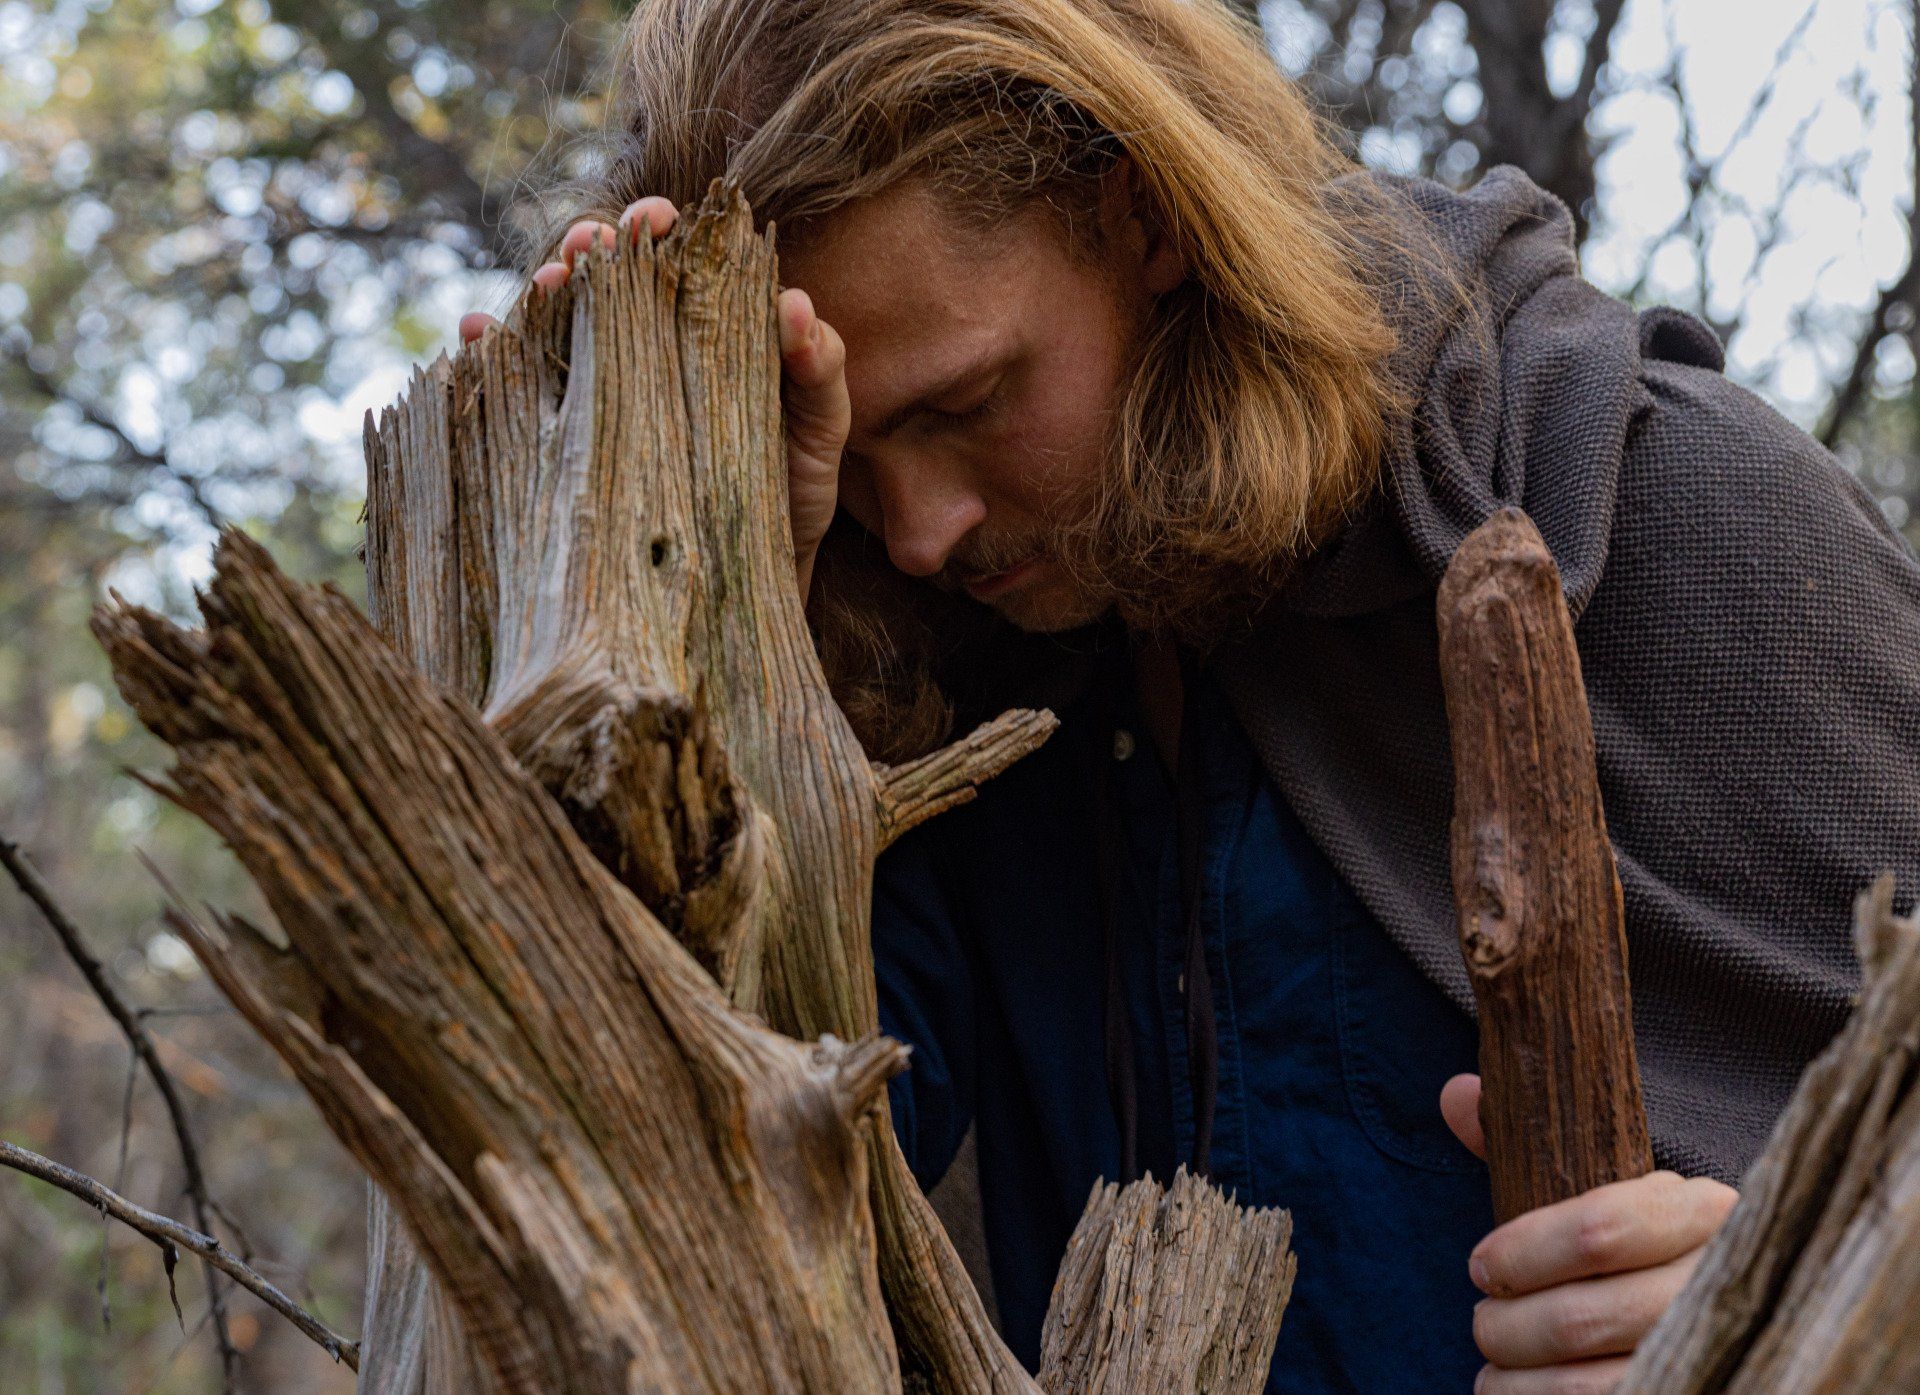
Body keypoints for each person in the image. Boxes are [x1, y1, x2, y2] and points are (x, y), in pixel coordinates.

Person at [458, 1, 1920, 1389]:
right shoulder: (933, 671)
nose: (917, 532)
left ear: (1141, 214)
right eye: (859, 452)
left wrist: (1803, 1291)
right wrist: (693, 625)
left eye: (967, 404)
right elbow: (742, 1214)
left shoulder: (1668, 508)